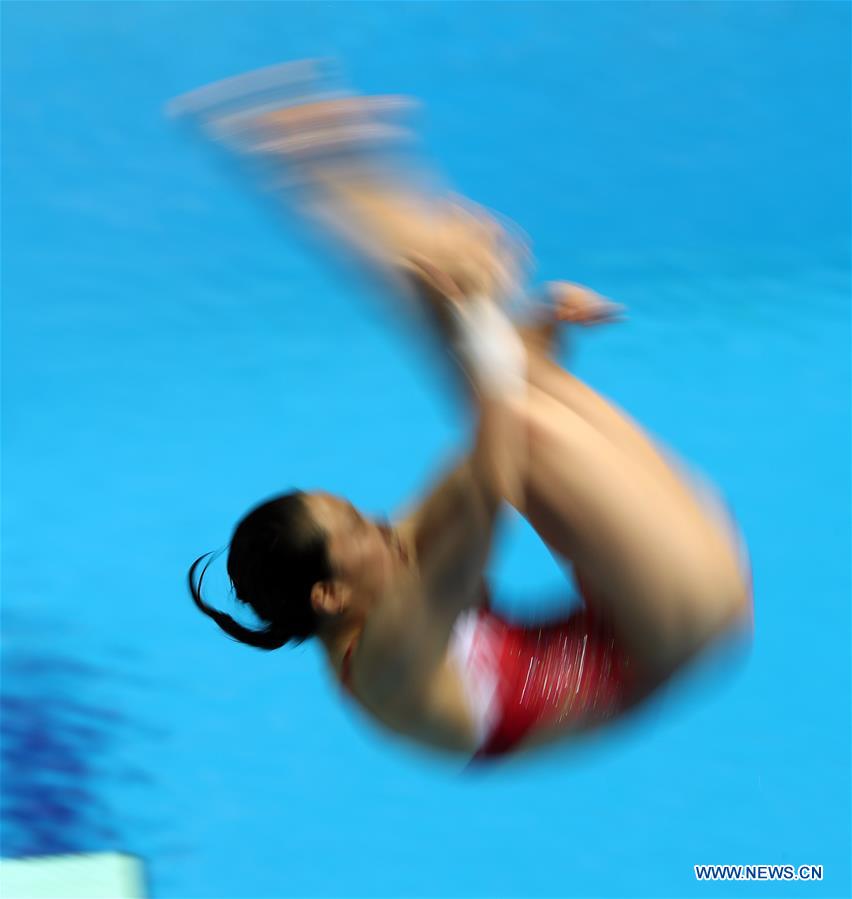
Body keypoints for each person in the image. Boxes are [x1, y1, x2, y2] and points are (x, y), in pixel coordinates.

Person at [180, 63, 752, 762]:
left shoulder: (374, 568)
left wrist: (541, 328)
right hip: (672, 624)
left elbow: (483, 443)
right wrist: (482, 315)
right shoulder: (389, 652)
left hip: (652, 602)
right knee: (513, 400)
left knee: (512, 376)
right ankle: (325, 174)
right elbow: (491, 483)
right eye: (359, 528)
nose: (383, 523)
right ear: (330, 593)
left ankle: (326, 173)